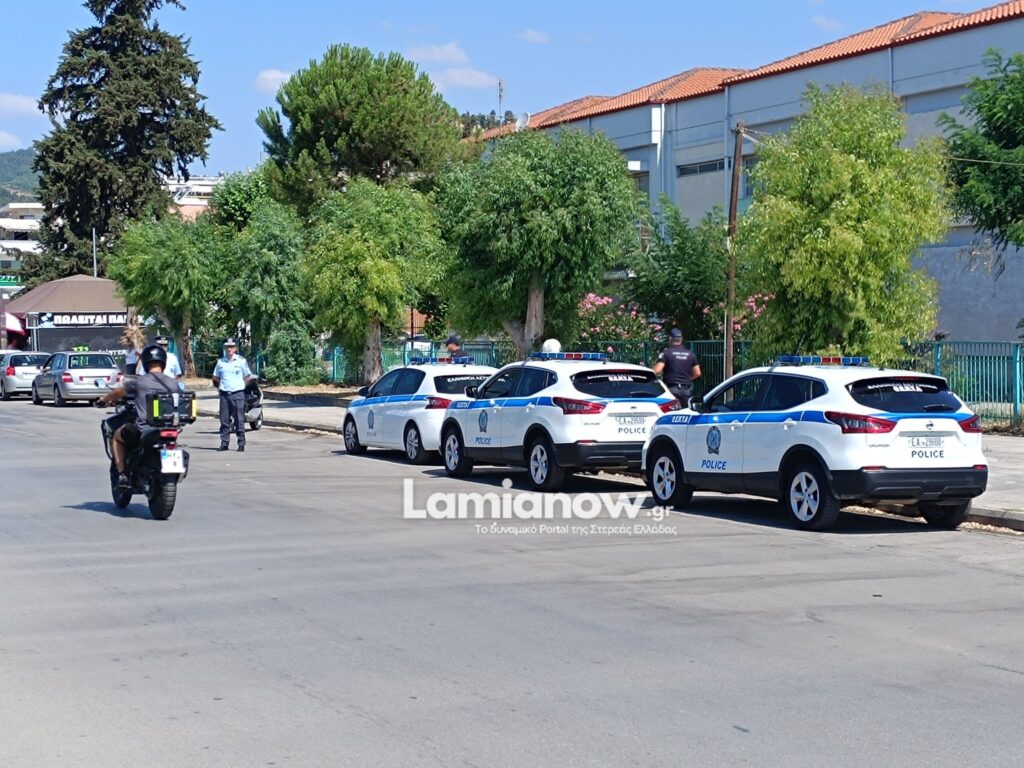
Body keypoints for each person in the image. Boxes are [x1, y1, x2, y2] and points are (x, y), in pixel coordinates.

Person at [98, 344, 179, 487]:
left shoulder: (139, 382)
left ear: (145, 361)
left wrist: (104, 399)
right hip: (169, 428)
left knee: (117, 437)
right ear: (163, 362)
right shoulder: (174, 384)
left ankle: (122, 474)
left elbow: (117, 392)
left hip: (143, 429)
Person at [212, 338, 254, 452]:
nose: (229, 349)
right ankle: (224, 443)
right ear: (224, 348)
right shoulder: (220, 362)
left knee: (239, 420)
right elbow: (215, 377)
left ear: (235, 348)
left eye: (231, 347)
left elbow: (248, 376)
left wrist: (242, 386)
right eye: (227, 347)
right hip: (225, 394)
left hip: (238, 394)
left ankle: (241, 443)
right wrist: (221, 387)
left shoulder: (241, 361)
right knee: (224, 420)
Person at [654, 328, 702, 404]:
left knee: (671, 410)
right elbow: (698, 373)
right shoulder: (691, 354)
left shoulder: (666, 353)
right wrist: (687, 379)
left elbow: (657, 370)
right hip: (686, 390)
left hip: (671, 389)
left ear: (670, 338)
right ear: (681, 339)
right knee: (685, 410)